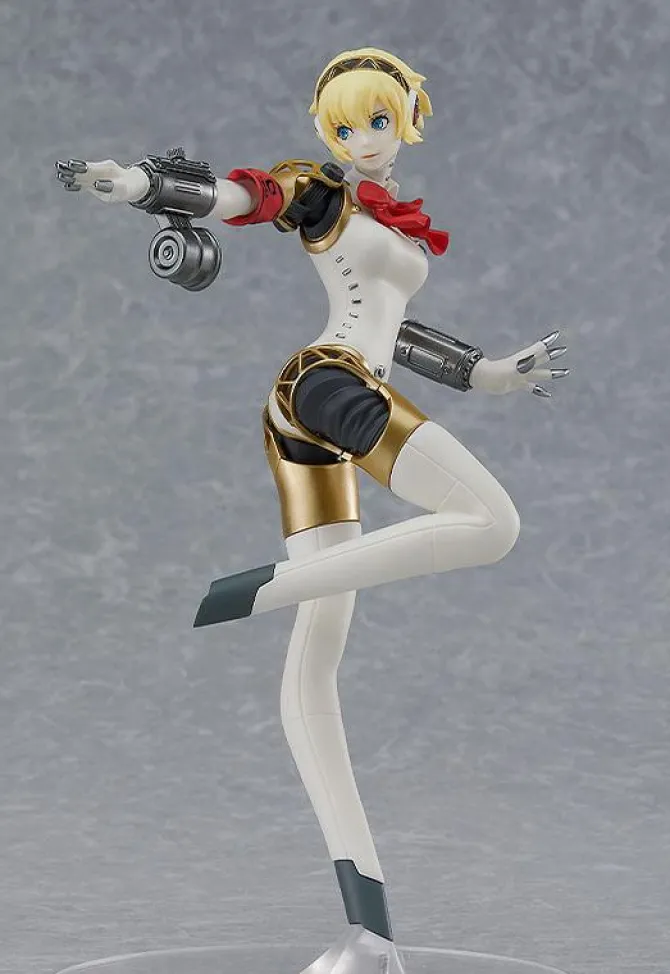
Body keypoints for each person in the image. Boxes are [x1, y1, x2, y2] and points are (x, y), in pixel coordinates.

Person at [56, 47, 568, 974]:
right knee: (493, 524)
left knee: (317, 662)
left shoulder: (390, 218)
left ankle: (368, 931)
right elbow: (246, 197)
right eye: (342, 125)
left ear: (407, 121)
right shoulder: (326, 194)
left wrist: (492, 374)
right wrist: (139, 185)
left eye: (375, 121)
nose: (359, 139)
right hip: (325, 384)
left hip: (322, 398)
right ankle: (261, 588)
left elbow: (398, 330)